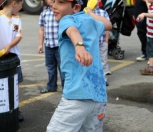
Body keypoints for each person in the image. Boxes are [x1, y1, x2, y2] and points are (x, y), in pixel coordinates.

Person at [46, 0, 112, 131]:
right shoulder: (90, 21)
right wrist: (90, 13)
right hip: (99, 97)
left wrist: (80, 46)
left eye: (60, 2)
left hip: (76, 95)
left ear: (75, 7)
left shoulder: (67, 19)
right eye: (54, 1)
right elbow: (108, 24)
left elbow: (72, 31)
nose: (54, 6)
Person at [38, 0, 64, 93]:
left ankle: (66, 88)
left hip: (60, 45)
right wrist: (40, 44)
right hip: (48, 45)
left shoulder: (60, 12)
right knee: (50, 67)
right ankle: (51, 86)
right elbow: (41, 29)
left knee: (63, 67)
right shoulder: (44, 13)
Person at [93, 0, 111, 86]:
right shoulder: (86, 13)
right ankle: (94, 79)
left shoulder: (103, 12)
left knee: (103, 60)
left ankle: (103, 79)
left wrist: (106, 40)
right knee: (93, 61)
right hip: (92, 42)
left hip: (102, 41)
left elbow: (107, 26)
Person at [139, 0, 153, 75]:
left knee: (151, 51)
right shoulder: (151, 5)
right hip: (150, 34)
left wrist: (144, 14)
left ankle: (151, 68)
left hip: (152, 35)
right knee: (150, 50)